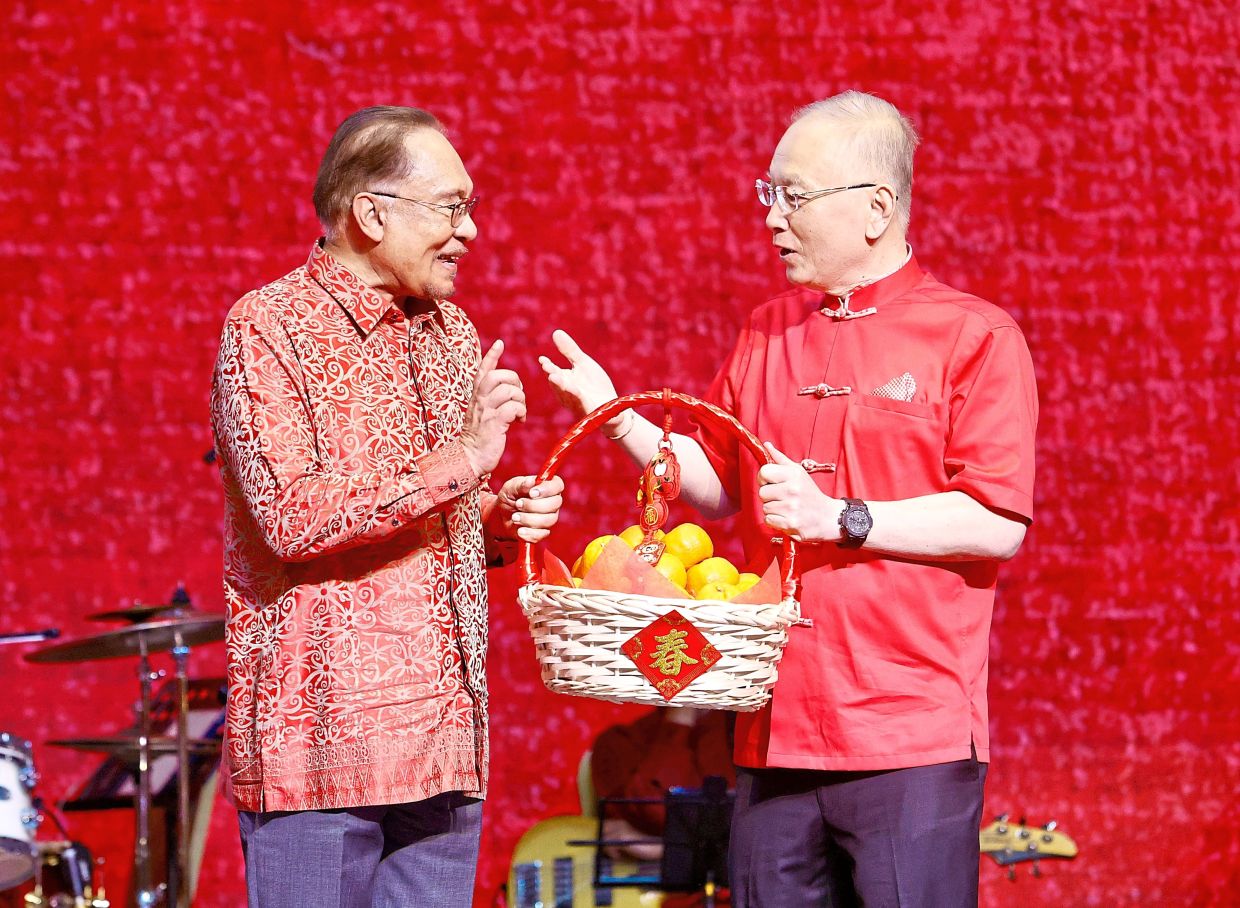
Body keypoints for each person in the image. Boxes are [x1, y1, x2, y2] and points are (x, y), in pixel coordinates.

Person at [540, 90, 1037, 907]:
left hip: (909, 735)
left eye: (794, 196)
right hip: (771, 729)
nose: (772, 217)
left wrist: (840, 518)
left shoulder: (973, 336)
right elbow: (715, 485)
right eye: (768, 193)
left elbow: (995, 520)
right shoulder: (767, 330)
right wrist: (617, 415)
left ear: (877, 208)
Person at [210, 106, 564, 908]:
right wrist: (465, 460)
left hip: (445, 748)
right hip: (319, 753)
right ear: (371, 214)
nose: (470, 230)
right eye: (451, 207)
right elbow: (293, 516)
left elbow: (436, 502)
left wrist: (493, 516)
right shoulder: (267, 327)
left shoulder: (452, 332)